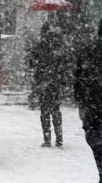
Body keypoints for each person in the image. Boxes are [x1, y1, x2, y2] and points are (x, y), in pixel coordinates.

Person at [28, 22, 69, 147]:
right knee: (56, 110)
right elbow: (63, 64)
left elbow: (31, 63)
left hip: (43, 82)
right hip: (55, 83)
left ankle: (47, 139)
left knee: (45, 111)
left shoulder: (40, 46)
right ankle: (59, 138)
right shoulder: (58, 46)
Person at [75, 18, 102, 183]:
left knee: (96, 141)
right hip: (92, 103)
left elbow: (78, 78)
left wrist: (81, 100)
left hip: (92, 105)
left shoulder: (88, 50)